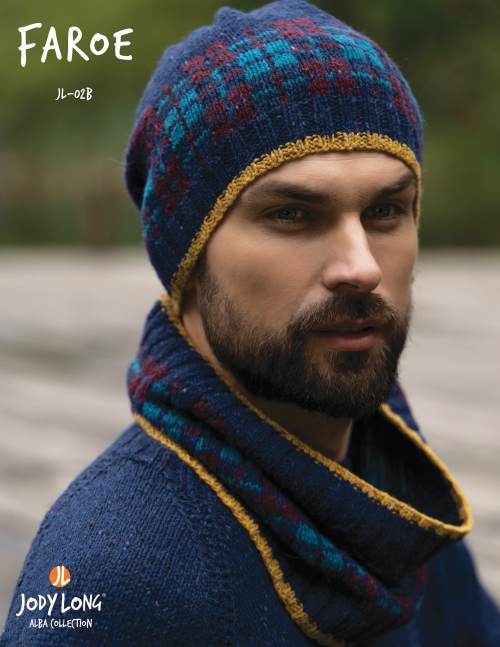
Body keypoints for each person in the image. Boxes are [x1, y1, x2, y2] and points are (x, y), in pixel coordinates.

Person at [2, 1, 499, 645]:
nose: (361, 267)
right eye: (292, 214)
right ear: (188, 260)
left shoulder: (392, 477)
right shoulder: (121, 577)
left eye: (385, 211)